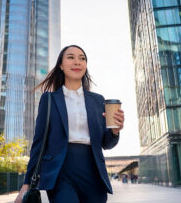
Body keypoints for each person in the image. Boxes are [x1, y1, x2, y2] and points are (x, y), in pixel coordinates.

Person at [14, 45, 124, 203]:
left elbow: (106, 144)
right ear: (61, 65)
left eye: (82, 58)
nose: (77, 62)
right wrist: (26, 184)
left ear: (85, 66)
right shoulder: (49, 99)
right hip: (60, 171)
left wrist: (115, 130)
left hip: (93, 171)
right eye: (71, 57)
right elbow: (38, 143)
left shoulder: (98, 100)